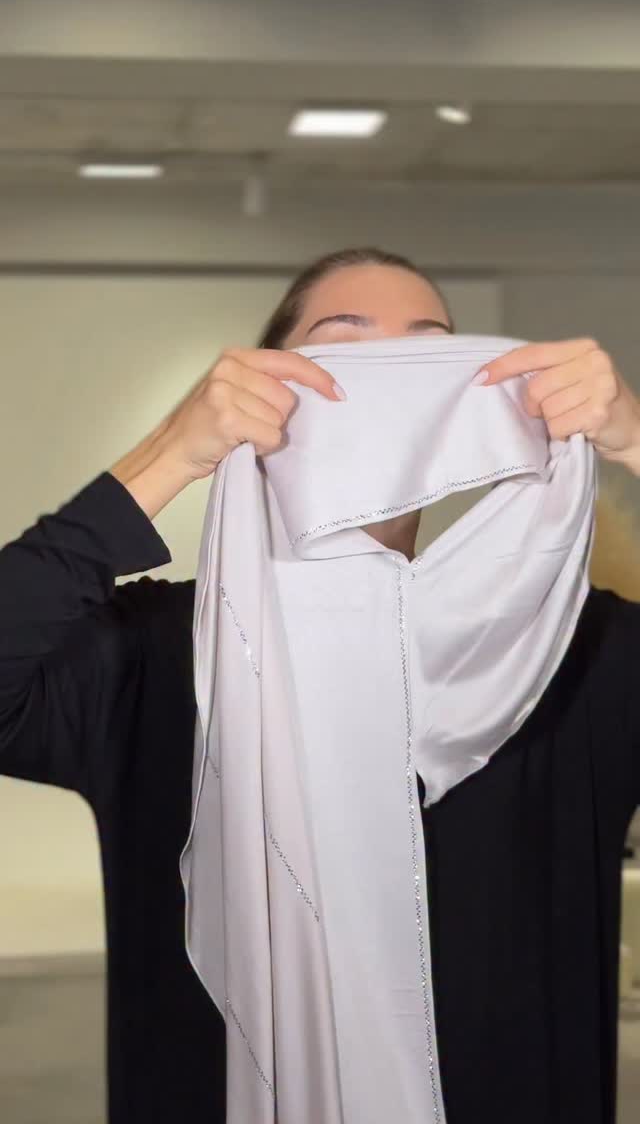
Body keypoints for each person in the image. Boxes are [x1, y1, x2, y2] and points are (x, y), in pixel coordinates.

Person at [1, 247, 639, 1124]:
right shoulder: (160, 653)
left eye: (428, 353)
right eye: (347, 346)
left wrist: (634, 438)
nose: (391, 379)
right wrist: (168, 453)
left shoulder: (571, 651)